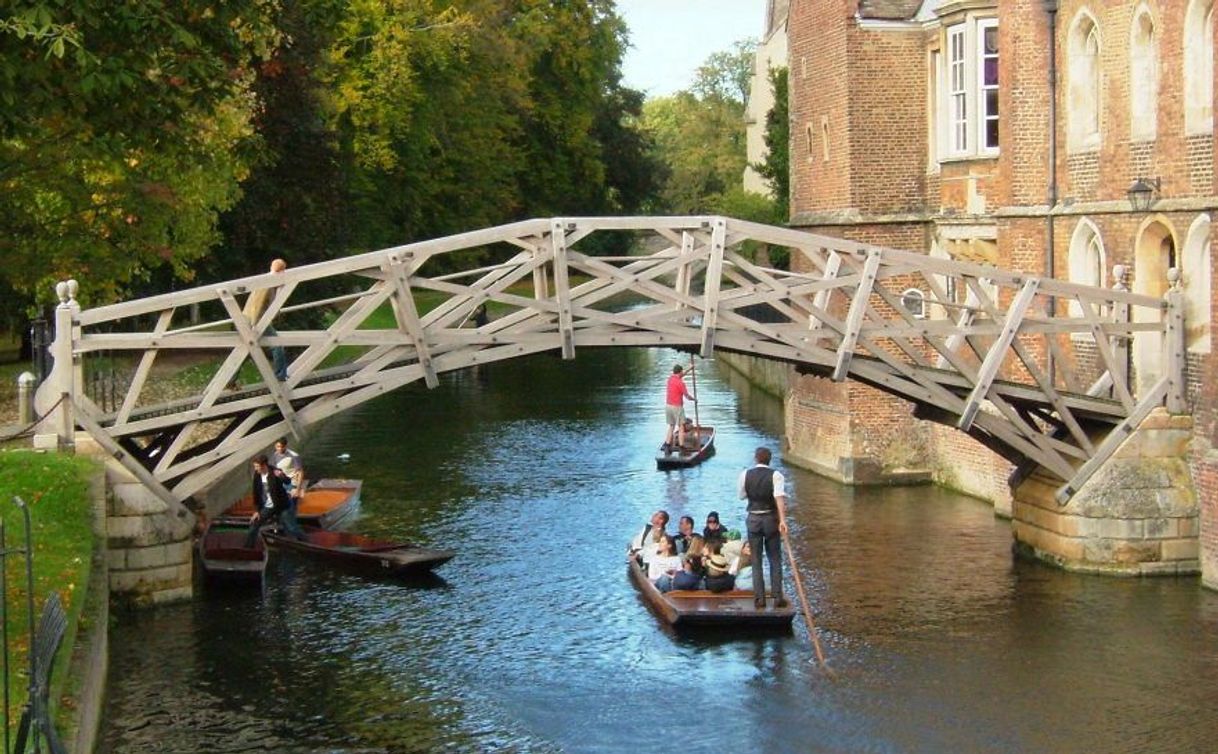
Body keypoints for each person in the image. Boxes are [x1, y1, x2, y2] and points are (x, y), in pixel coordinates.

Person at [738, 446, 790, 609]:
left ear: (756, 459)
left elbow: (742, 495)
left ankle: (759, 599)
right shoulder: (776, 475)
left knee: (756, 560)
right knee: (775, 558)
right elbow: (779, 498)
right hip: (770, 520)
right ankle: (777, 596)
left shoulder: (745, 474)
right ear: (769, 459)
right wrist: (783, 520)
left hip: (753, 519)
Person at [242, 258, 289, 381]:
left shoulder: (266, 280)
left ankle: (230, 380)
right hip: (257, 320)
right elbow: (258, 305)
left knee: (245, 349)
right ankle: (280, 375)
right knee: (277, 345)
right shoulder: (267, 285)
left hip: (251, 318)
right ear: (281, 271)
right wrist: (254, 325)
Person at [244, 454, 306, 547]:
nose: (256, 469)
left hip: (282, 505)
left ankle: (306, 541)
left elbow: (287, 481)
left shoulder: (275, 472)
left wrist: (281, 476)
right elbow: (256, 493)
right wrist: (257, 511)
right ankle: (248, 548)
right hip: (269, 506)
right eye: (255, 467)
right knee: (254, 523)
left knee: (292, 528)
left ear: (264, 465)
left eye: (257, 467)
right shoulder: (257, 475)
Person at [662, 364, 695, 453]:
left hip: (668, 406)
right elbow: (687, 396)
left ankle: (667, 445)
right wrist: (694, 399)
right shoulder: (681, 383)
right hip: (677, 407)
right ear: (680, 372)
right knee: (681, 427)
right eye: (682, 371)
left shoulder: (670, 379)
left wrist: (689, 369)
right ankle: (681, 446)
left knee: (671, 426)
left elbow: (681, 375)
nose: (682, 373)